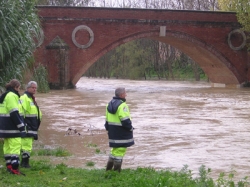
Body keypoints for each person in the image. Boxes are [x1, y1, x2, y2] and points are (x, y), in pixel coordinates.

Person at [104, 87, 134, 172]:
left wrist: (108, 129)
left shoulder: (109, 104)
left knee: (114, 150)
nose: (126, 95)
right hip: (121, 132)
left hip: (113, 132)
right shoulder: (122, 105)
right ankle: (116, 172)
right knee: (120, 151)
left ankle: (108, 170)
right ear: (121, 95)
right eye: (125, 93)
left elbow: (106, 120)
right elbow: (125, 120)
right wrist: (130, 128)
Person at [0, 79, 27, 175]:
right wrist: (21, 127)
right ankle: (15, 169)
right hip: (12, 127)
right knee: (15, 147)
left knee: (7, 148)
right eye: (18, 88)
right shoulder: (12, 96)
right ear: (15, 87)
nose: (19, 90)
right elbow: (14, 113)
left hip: (4, 127)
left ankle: (9, 167)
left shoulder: (4, 95)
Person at [20, 81, 42, 168]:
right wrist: (23, 125)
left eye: (35, 88)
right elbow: (21, 112)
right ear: (28, 88)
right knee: (26, 145)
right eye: (33, 87)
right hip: (28, 125)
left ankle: (25, 162)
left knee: (28, 145)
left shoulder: (32, 98)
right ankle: (24, 163)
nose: (34, 89)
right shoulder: (24, 98)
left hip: (32, 125)